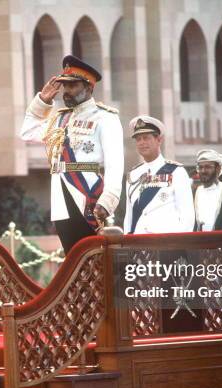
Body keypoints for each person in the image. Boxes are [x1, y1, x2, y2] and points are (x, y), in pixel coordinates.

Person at [20, 55, 124, 254]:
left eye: (73, 86)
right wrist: (43, 101)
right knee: (73, 259)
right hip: (61, 197)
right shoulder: (60, 118)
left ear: (89, 88)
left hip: (88, 195)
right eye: (65, 86)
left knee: (95, 258)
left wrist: (108, 200)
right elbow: (27, 132)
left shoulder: (105, 118)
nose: (67, 91)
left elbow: (115, 164)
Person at [123, 115, 194, 234]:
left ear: (159, 140)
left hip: (165, 244)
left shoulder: (176, 171)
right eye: (138, 139)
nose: (142, 143)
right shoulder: (133, 175)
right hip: (138, 244)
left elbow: (187, 217)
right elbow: (129, 216)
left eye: (146, 138)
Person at [193, 149, 222, 231]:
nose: (203, 171)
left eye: (208, 167)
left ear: (218, 168)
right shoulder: (195, 192)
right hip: (198, 241)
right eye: (200, 167)